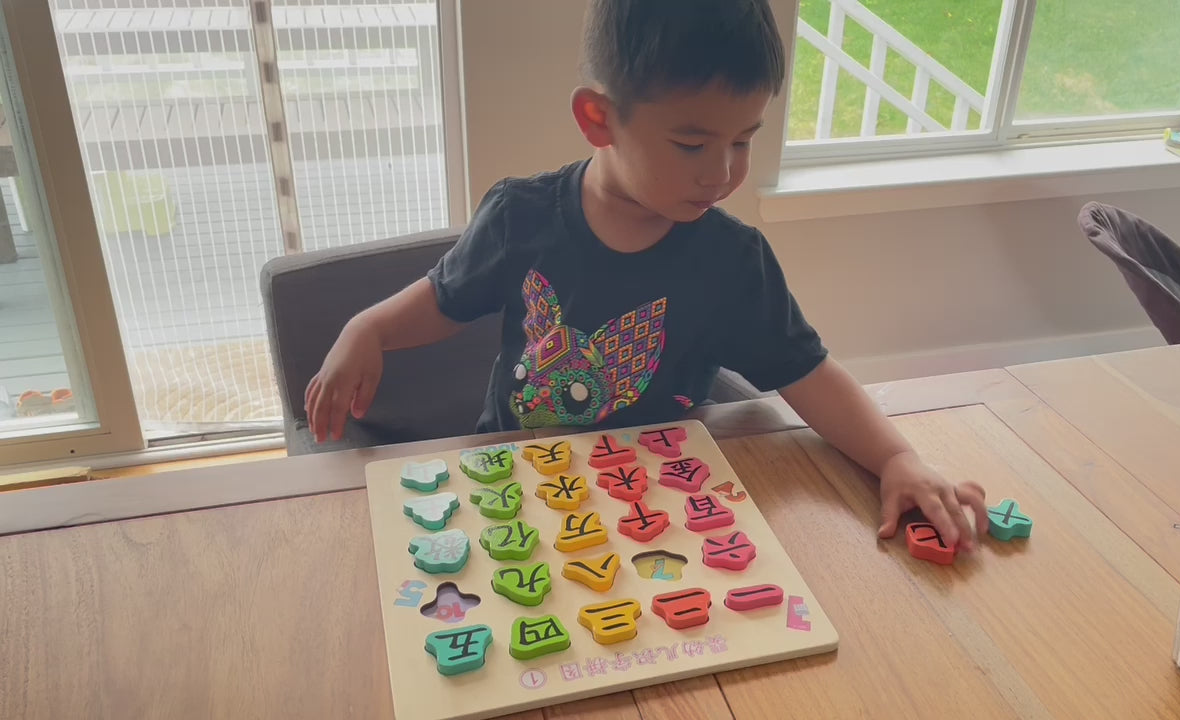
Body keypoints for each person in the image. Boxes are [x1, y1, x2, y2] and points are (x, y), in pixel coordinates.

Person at [305, 0, 989, 549]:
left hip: (665, 504)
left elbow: (808, 373)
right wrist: (370, 328)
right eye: (692, 143)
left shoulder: (732, 260)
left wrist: (898, 458)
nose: (721, 172)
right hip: (513, 485)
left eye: (743, 139)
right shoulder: (521, 218)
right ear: (598, 119)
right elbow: (444, 300)